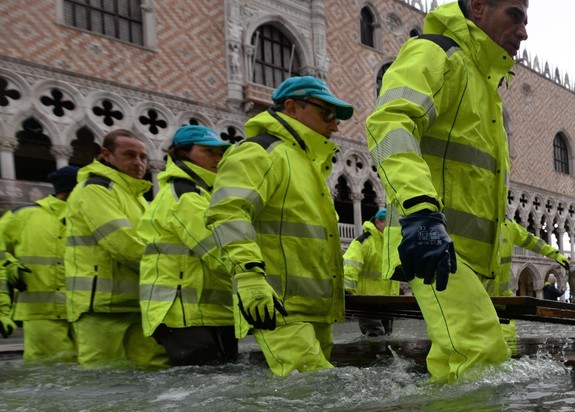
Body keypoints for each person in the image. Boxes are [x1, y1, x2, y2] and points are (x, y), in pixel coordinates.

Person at [366, 0, 527, 383]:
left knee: (467, 362)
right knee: (480, 356)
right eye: (515, 16)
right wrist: (420, 211)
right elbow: (390, 123)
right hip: (434, 244)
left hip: (471, 255)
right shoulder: (435, 53)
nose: (523, 32)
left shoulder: (486, 85)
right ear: (479, 9)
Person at [205, 76, 353, 377]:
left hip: (315, 307)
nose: (335, 125)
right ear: (291, 107)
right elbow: (228, 212)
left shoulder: (307, 163)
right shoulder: (260, 152)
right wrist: (248, 276)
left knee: (316, 395)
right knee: (314, 388)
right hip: (275, 303)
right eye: (327, 113)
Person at [64, 130, 169, 369]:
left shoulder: (137, 196)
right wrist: (168, 270)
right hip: (100, 308)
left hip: (138, 304)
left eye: (143, 157)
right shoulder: (95, 189)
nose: (138, 162)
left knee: (155, 372)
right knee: (104, 382)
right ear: (106, 154)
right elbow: (123, 244)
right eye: (130, 155)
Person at [138, 125, 237, 366]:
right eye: (208, 152)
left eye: (220, 152)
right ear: (183, 154)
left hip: (204, 314)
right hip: (183, 315)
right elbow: (220, 251)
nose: (217, 158)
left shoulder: (201, 192)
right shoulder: (185, 195)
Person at [0, 166, 79, 361]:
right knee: (49, 374)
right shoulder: (23, 216)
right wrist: (10, 264)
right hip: (41, 315)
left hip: (84, 315)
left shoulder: (88, 218)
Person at [495, 219, 568, 354]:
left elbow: (532, 240)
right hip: (477, 299)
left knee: (507, 350)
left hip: (503, 304)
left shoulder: (508, 226)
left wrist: (555, 254)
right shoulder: (473, 217)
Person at [344, 208, 402, 337]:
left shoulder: (394, 244)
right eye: (390, 224)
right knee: (374, 335)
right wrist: (347, 289)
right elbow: (350, 264)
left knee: (388, 336)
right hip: (368, 300)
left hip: (389, 300)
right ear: (378, 222)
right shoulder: (364, 241)